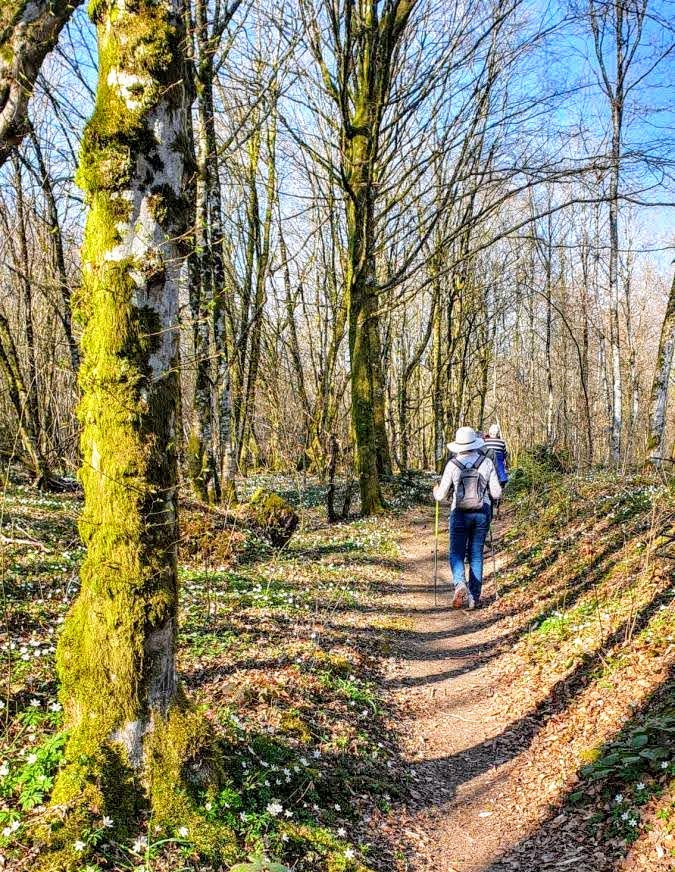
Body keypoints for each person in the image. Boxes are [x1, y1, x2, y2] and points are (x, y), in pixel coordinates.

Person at [433, 426, 502, 610]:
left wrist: (435, 490)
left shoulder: (453, 464)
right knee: (476, 555)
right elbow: (496, 493)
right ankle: (474, 597)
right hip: (481, 513)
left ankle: (459, 584)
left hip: (459, 513)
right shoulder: (486, 462)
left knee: (456, 552)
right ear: (475, 443)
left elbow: (440, 496)